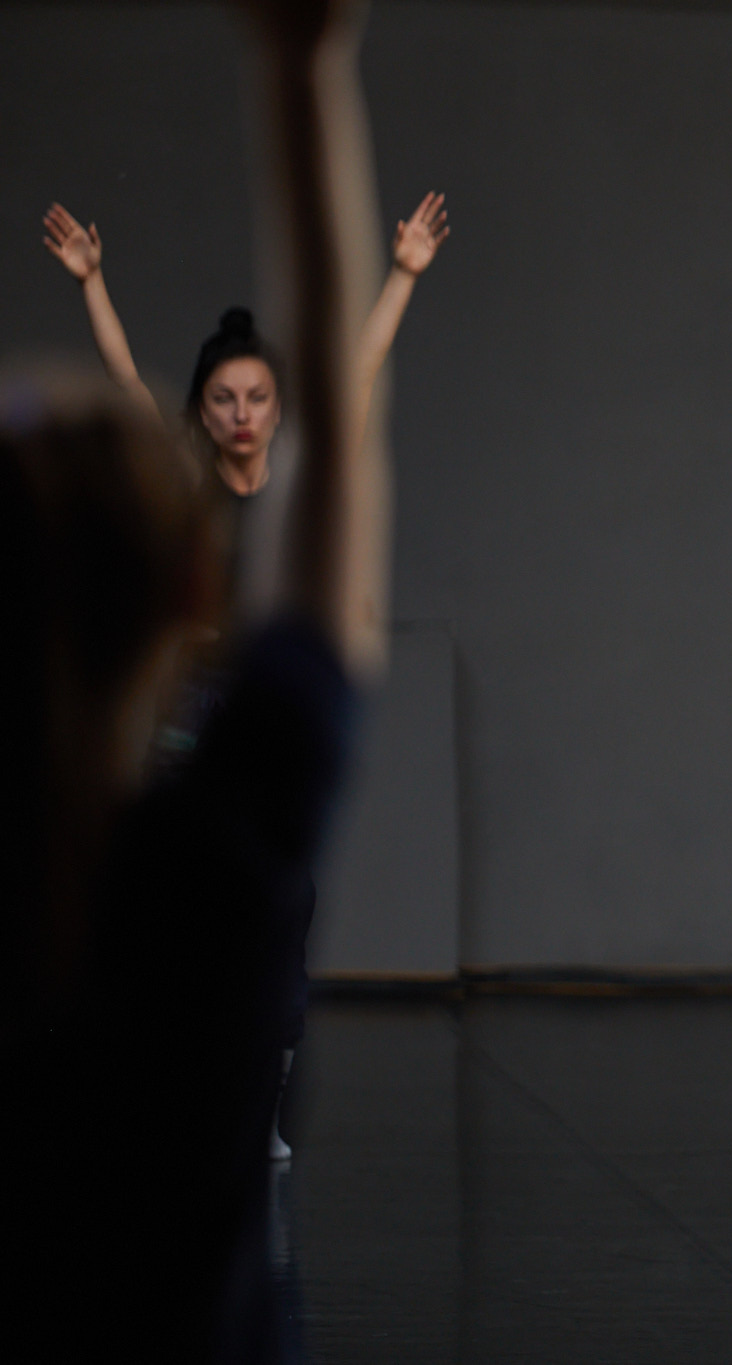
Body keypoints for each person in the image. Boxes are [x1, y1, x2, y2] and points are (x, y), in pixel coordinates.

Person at [3, 0, 390, 1356]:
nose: (237, 415)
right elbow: (344, 428)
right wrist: (299, 63)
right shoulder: (206, 871)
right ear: (180, 584)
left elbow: (325, 412)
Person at [42, 124, 446, 1163]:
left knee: (273, 902)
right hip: (187, 713)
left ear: (274, 407)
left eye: (256, 398)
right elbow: (128, 387)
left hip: (262, 713)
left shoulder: (296, 478)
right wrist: (92, 284)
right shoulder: (187, 476)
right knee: (170, 892)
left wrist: (402, 276)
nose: (240, 414)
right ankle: (153, 1079)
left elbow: (357, 374)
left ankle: (257, 1101)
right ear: (207, 408)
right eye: (223, 399)